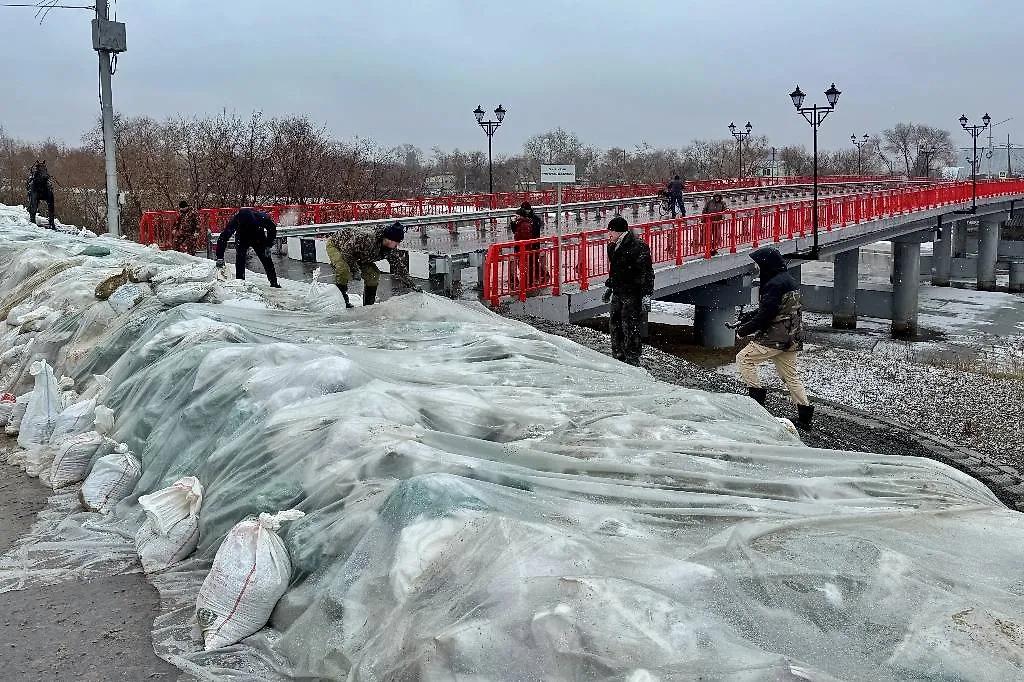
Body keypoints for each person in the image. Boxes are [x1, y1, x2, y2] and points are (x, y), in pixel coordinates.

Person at [731, 246, 813, 428]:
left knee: (744, 358)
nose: (757, 268)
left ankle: (757, 404)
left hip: (775, 336)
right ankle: (805, 416)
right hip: (792, 336)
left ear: (766, 264)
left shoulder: (773, 284)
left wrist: (743, 330)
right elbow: (772, 308)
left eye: (758, 264)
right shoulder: (789, 281)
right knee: (791, 375)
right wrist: (746, 318)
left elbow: (766, 315)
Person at [325, 221, 422, 308]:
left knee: (373, 274)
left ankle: (368, 306)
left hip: (359, 254)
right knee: (343, 270)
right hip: (337, 245)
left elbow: (398, 267)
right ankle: (343, 303)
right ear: (390, 239)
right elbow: (347, 252)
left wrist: (411, 285)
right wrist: (355, 269)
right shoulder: (368, 238)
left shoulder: (390, 249)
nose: (397, 245)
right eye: (397, 242)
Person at [601, 216, 654, 366]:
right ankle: (617, 354)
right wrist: (610, 286)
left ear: (619, 232)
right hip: (618, 290)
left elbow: (646, 272)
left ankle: (632, 358)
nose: (608, 234)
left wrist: (646, 294)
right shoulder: (612, 245)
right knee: (614, 323)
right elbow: (615, 270)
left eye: (611, 231)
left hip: (633, 292)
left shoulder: (638, 246)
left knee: (629, 325)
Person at [214, 207, 281, 288]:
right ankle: (240, 283)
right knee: (240, 260)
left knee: (266, 259)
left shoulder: (261, 217)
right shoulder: (236, 219)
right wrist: (220, 257)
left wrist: (268, 245)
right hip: (242, 239)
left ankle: (274, 282)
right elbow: (224, 237)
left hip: (258, 237)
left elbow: (272, 229)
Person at [26, 160, 56, 229]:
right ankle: (32, 218)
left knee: (51, 201)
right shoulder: (35, 173)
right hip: (35, 188)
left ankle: (51, 221)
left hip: (44, 188)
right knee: (33, 203)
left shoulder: (42, 173)